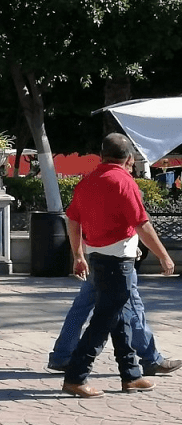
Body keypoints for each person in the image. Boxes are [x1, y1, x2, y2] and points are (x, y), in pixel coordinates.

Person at [61, 133, 175, 398]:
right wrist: (163, 255)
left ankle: (131, 375)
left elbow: (73, 220)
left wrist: (78, 255)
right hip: (119, 261)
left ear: (102, 156)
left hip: (97, 257)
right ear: (130, 159)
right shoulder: (124, 181)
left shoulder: (87, 181)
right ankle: (75, 377)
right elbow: (142, 224)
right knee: (104, 320)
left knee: (120, 317)